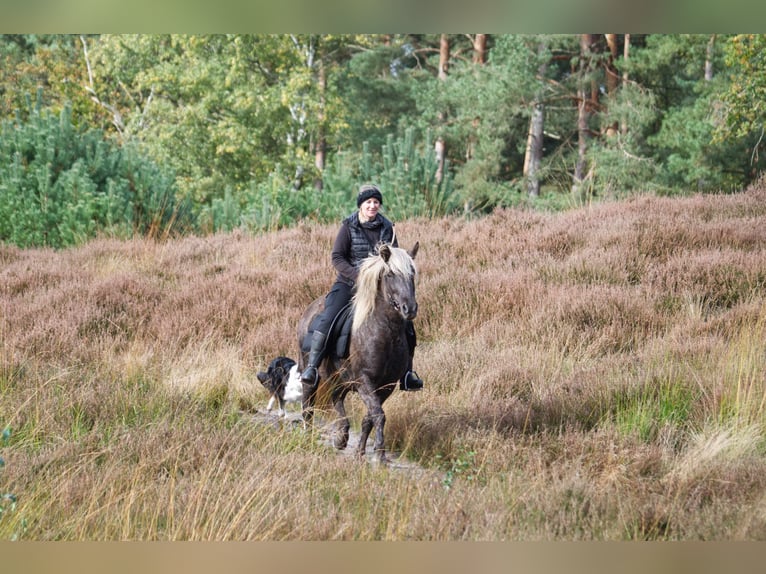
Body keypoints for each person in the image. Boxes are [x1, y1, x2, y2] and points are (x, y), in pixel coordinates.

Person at [300, 183, 424, 391]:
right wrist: (359, 276)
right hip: (349, 283)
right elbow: (337, 257)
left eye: (376, 202)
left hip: (380, 289)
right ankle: (312, 367)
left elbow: (394, 259)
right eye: (368, 202)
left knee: (407, 324)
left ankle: (407, 374)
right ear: (361, 205)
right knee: (328, 317)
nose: (373, 206)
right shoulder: (348, 226)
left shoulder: (387, 228)